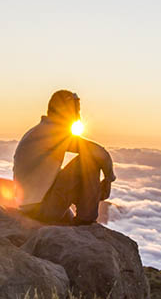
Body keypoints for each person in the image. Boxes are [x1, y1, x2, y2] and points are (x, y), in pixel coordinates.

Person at [13, 90, 115, 224]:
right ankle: (86, 220)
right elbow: (100, 153)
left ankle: (82, 218)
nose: (78, 115)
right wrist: (109, 178)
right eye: (76, 110)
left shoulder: (42, 130)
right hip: (40, 208)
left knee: (80, 165)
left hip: (33, 205)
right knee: (89, 161)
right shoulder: (51, 132)